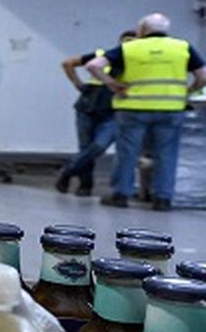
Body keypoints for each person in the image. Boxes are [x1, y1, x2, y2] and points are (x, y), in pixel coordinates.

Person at [88, 12, 206, 210]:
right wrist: (189, 90)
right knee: (167, 154)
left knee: (128, 153)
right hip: (170, 109)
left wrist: (112, 84)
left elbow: (93, 65)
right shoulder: (182, 47)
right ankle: (162, 199)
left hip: (133, 108)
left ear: (142, 30)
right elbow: (203, 76)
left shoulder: (129, 48)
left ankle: (120, 195)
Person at [55, 30, 135, 195]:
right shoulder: (102, 56)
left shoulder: (138, 65)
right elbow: (68, 64)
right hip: (87, 107)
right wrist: (78, 84)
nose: (128, 45)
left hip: (113, 111)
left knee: (99, 146)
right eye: (125, 41)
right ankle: (85, 185)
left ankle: (68, 170)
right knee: (85, 146)